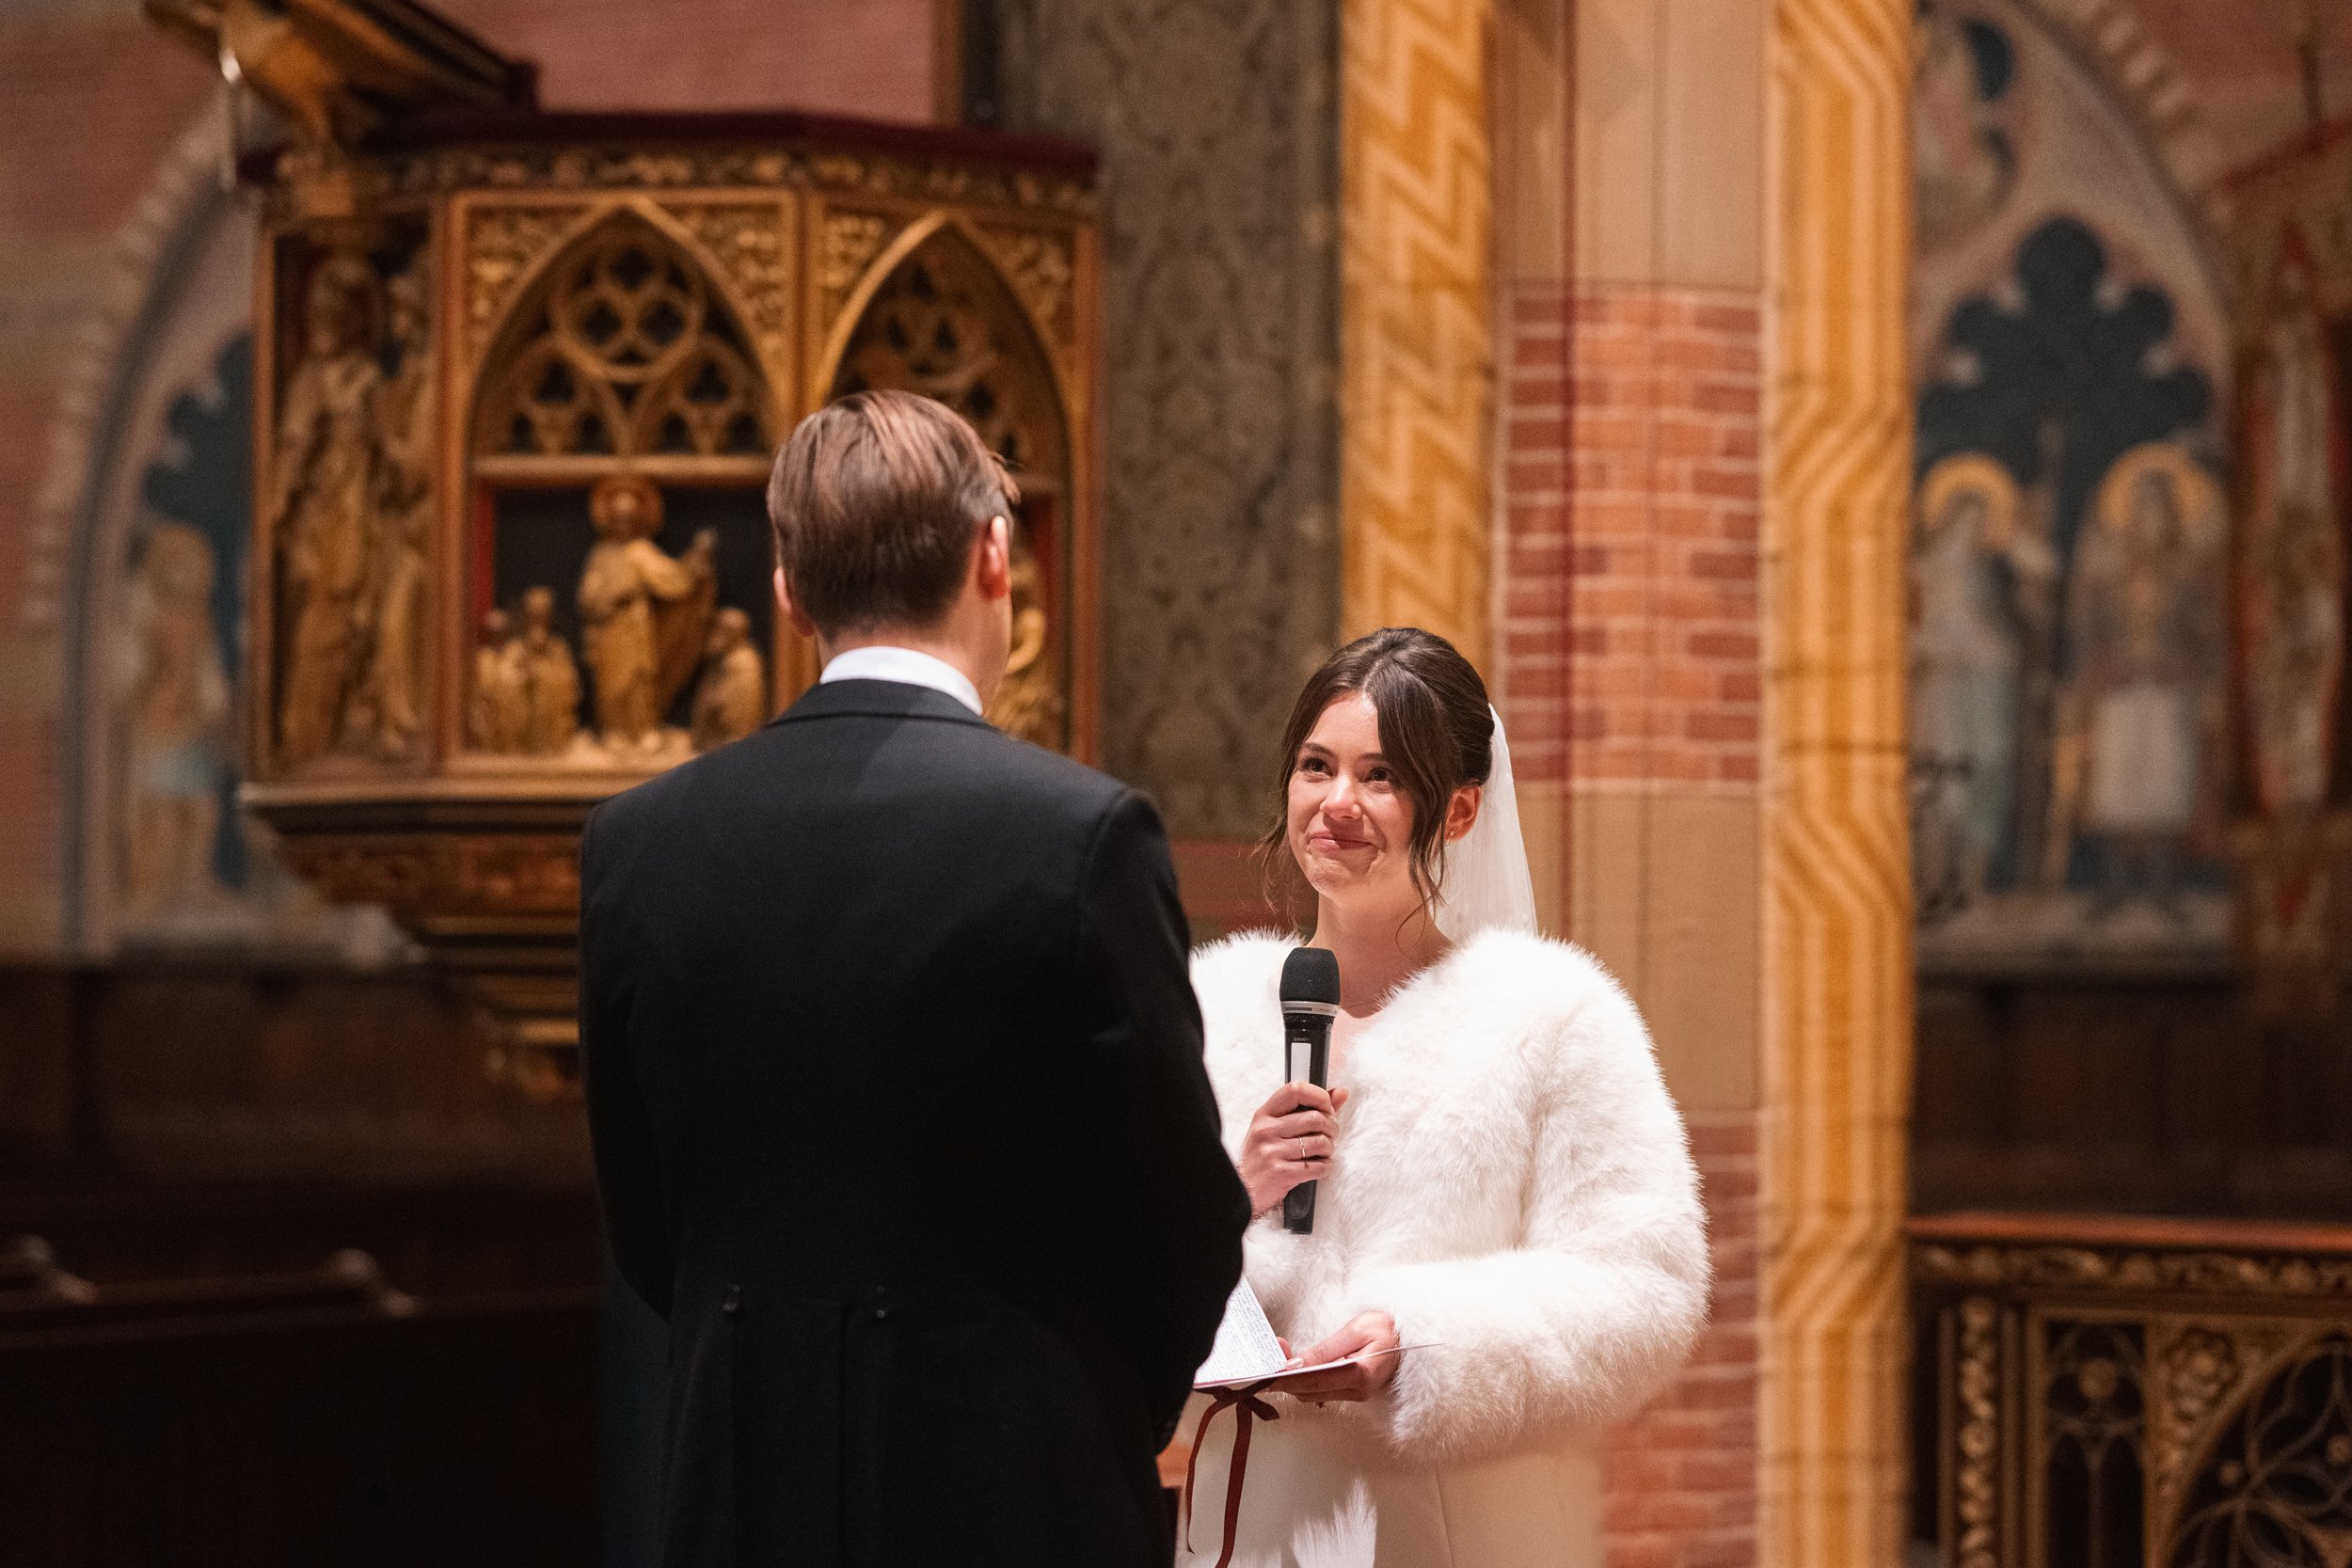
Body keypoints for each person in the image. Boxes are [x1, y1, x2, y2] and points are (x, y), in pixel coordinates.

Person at [580, 388, 1249, 1567]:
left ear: (787, 591)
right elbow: (1180, 1221)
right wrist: (1086, 1409)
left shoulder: (639, 842)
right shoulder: (1081, 836)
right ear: (996, 555)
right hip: (1016, 1490)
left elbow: (644, 1224)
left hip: (741, 1485)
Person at [1180, 627, 1708, 1568]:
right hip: (1247, 1521)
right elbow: (1104, 1260)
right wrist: (1229, 1194)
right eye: (1316, 765)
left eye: (1380, 776)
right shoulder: (1209, 1008)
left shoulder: (1549, 1016)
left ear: (1459, 808)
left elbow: (1646, 1287)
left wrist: (1419, 1340)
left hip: (1449, 1527)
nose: (1335, 803)